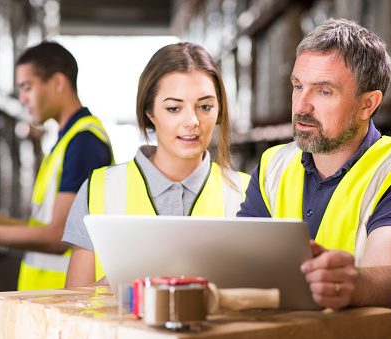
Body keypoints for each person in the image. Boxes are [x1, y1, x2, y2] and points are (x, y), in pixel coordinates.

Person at [238, 18, 391, 322]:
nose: (302, 106)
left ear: (367, 104)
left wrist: (354, 284)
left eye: (323, 91)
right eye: (298, 86)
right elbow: (239, 261)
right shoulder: (272, 165)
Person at [63, 42, 251, 287]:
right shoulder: (98, 189)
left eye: (205, 106)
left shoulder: (248, 192)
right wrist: (120, 285)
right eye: (174, 108)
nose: (192, 121)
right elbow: (73, 309)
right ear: (149, 112)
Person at [0, 41, 114, 291]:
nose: (21, 98)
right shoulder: (68, 139)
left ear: (58, 83)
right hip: (49, 298)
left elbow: (57, 236)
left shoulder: (84, 143)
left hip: (64, 300)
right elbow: (45, 226)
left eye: (27, 87)